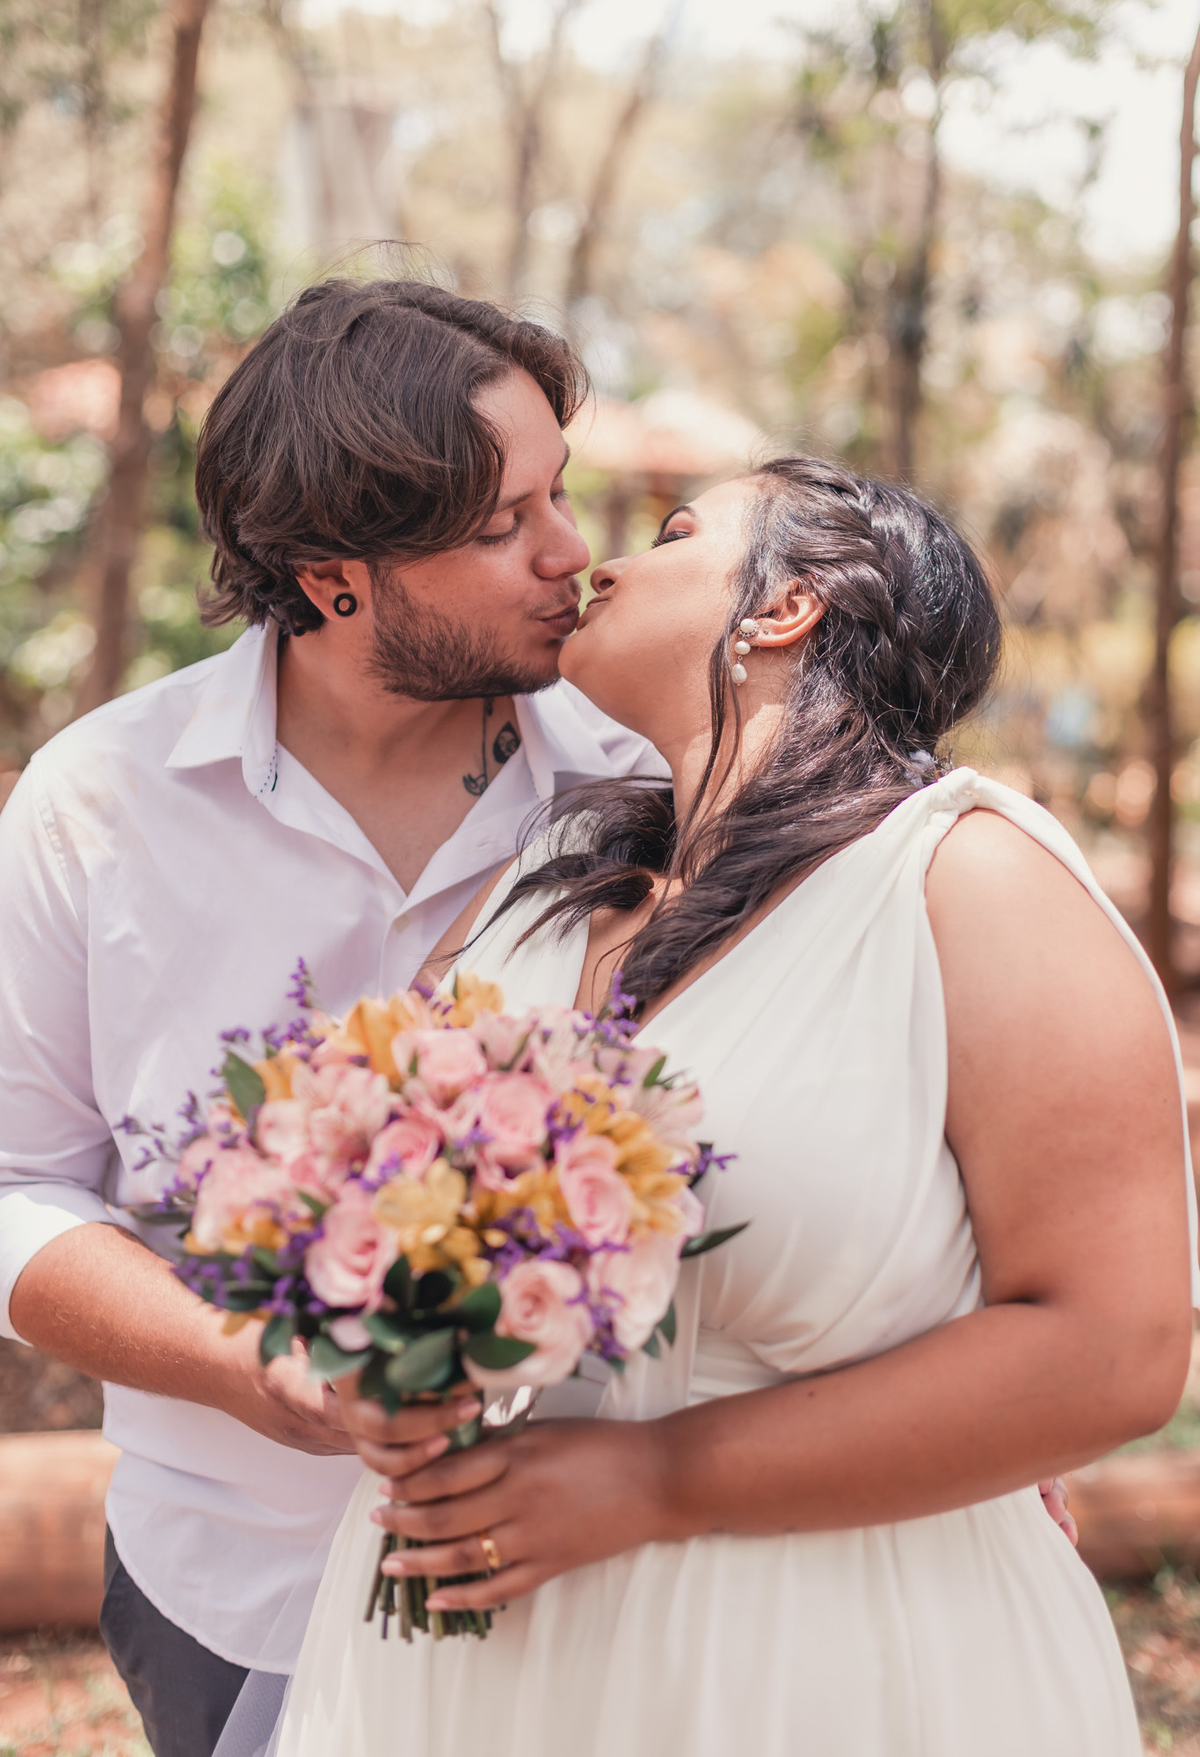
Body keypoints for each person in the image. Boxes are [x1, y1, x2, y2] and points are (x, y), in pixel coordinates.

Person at [272, 456, 1197, 1757]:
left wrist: (660, 1479)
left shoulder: (969, 880)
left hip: (815, 1660)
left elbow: (1116, 1351)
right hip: (474, 1650)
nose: (601, 557)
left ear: (786, 607)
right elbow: (377, 1167)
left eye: (673, 532)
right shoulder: (537, 880)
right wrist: (383, 1357)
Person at [0, 277, 658, 1757]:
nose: (573, 557)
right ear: (332, 578)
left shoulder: (651, 796)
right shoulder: (95, 808)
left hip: (594, 1594)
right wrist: (244, 1372)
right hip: (225, 1595)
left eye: (563, 495)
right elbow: (16, 1190)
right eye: (502, 526)